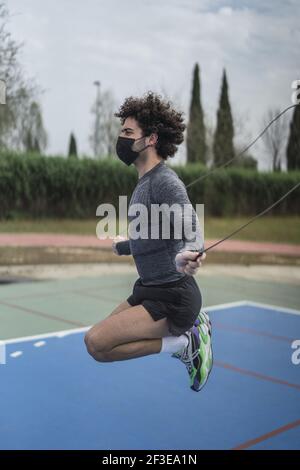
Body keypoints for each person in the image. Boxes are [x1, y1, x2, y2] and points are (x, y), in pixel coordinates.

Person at [85, 91, 213, 392]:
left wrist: (191, 252)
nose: (122, 139)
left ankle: (184, 341)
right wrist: (125, 245)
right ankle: (187, 334)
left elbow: (192, 227)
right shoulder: (144, 182)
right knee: (99, 350)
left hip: (173, 296)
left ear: (151, 139)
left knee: (95, 340)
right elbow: (153, 234)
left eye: (129, 133)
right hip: (147, 288)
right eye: (122, 132)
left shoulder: (165, 181)